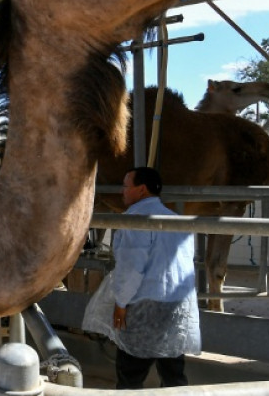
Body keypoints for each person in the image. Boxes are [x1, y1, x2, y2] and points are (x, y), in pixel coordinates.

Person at [111, 166, 201, 388]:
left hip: (145, 307)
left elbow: (131, 268)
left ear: (141, 190)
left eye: (126, 186)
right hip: (177, 306)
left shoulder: (134, 220)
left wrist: (121, 303)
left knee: (130, 374)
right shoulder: (177, 220)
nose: (122, 191)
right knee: (173, 374)